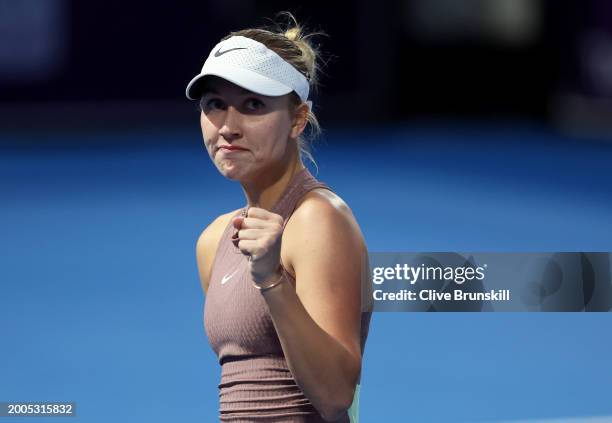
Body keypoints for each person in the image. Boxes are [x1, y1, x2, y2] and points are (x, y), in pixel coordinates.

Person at [187, 13, 371, 423]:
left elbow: (335, 394)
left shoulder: (318, 220)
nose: (228, 127)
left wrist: (271, 279)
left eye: (253, 105)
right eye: (215, 104)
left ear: (297, 119)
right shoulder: (214, 240)